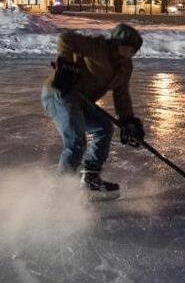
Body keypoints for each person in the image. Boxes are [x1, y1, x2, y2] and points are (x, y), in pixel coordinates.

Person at [41, 23, 146, 197]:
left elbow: (122, 94)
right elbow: (65, 38)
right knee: (76, 142)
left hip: (82, 100)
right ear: (115, 44)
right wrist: (65, 64)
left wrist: (127, 121)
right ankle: (60, 191)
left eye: (132, 50)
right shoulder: (98, 47)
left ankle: (90, 178)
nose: (128, 54)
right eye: (125, 48)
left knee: (103, 128)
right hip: (61, 93)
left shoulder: (125, 67)